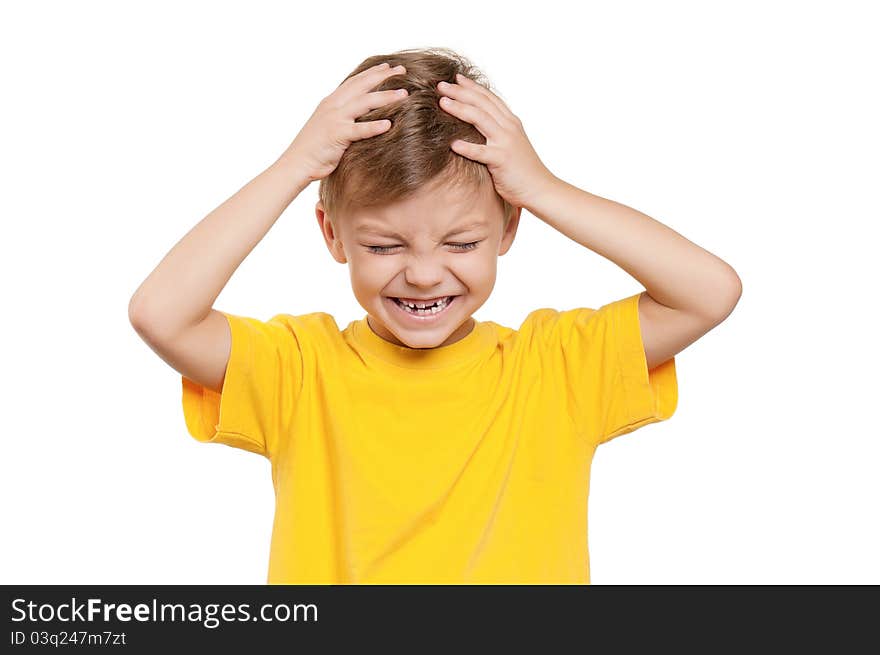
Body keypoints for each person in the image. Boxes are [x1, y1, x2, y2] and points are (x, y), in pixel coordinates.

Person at [128, 47, 742, 584]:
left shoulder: (556, 367)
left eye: (460, 243)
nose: (423, 273)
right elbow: (162, 314)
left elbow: (708, 292)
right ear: (332, 236)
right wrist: (296, 165)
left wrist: (540, 186)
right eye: (384, 246)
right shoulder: (299, 369)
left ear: (508, 227)